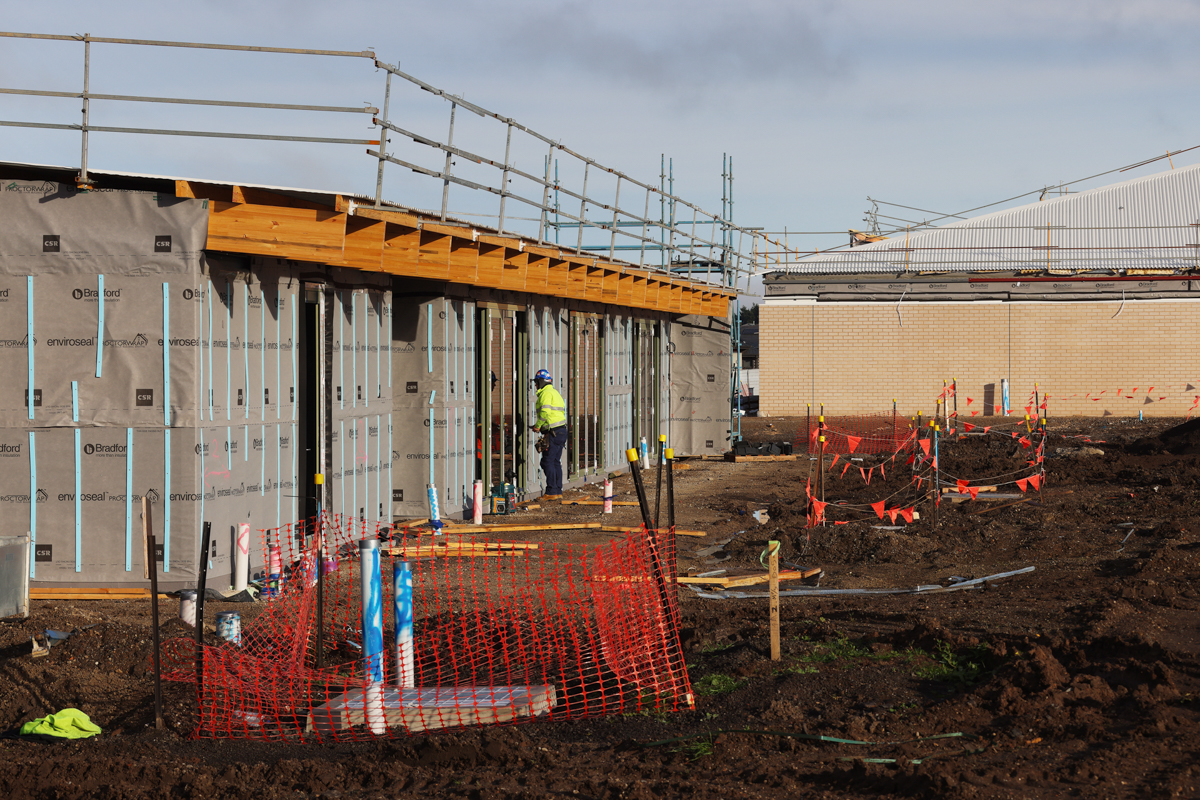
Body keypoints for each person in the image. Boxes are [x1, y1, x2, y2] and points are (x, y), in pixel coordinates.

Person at [530, 368, 567, 500]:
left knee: (547, 462)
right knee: (555, 462)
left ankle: (551, 492)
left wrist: (537, 426)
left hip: (553, 432)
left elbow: (545, 413)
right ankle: (557, 491)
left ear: (541, 381)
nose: (535, 385)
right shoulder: (554, 392)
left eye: (536, 382)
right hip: (561, 431)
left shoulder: (545, 394)